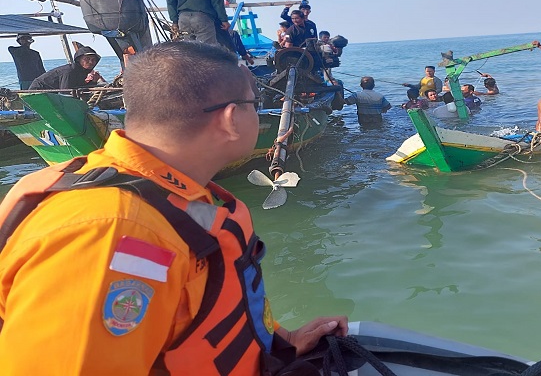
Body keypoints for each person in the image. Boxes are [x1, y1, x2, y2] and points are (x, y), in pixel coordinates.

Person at [0, 41, 347, 374]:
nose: (257, 111)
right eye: (254, 103)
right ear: (231, 119)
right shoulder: (110, 231)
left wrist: (283, 341)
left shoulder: (168, 195)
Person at [28, 46, 102, 91]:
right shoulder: (70, 71)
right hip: (38, 90)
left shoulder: (82, 72)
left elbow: (80, 87)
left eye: (93, 59)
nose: (90, 62)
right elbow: (65, 92)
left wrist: (94, 81)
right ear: (79, 60)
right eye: (87, 59)